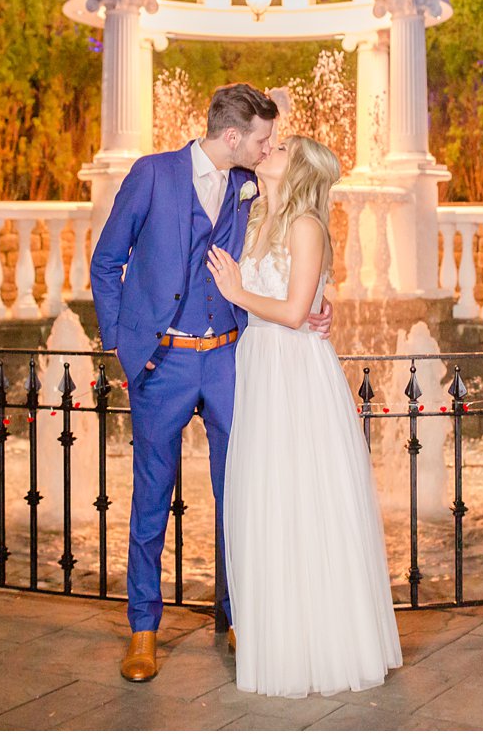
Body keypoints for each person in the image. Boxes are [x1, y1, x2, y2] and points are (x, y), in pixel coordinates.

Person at [90, 84, 332, 683]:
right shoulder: (151, 174)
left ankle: (235, 616)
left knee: (240, 497)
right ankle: (143, 631)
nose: (268, 146)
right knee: (151, 501)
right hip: (161, 363)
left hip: (231, 361)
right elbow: (106, 261)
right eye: (261, 138)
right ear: (233, 138)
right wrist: (123, 345)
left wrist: (326, 306)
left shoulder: (254, 188)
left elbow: (297, 248)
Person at [206, 135, 402, 698]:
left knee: (305, 502)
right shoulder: (256, 217)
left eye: (284, 147)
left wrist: (239, 293)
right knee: (268, 504)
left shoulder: (306, 226)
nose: (271, 148)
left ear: (299, 171)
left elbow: (294, 313)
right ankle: (279, 637)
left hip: (295, 371)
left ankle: (322, 644)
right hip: (263, 367)